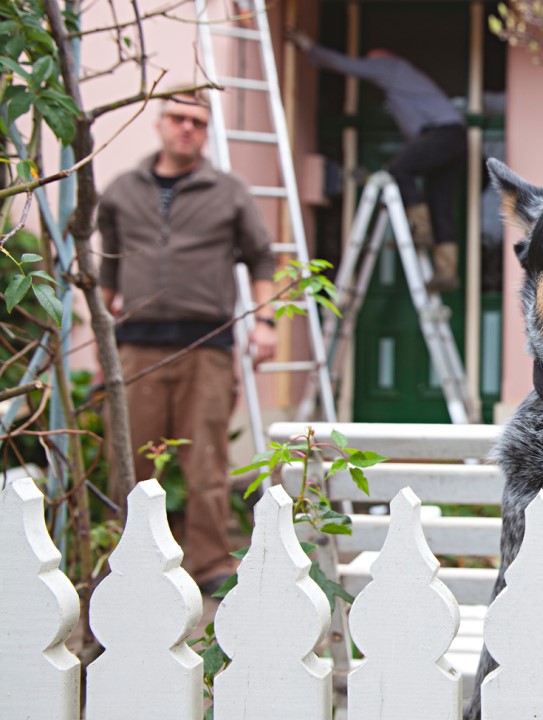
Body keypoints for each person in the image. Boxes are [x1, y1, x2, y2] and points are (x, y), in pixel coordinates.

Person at [98, 90, 279, 594]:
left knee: (206, 463)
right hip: (135, 344)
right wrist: (98, 320)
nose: (187, 129)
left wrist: (266, 321)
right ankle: (128, 562)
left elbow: (262, 258)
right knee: (131, 459)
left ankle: (207, 567)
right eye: (178, 118)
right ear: (160, 123)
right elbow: (109, 257)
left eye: (198, 122)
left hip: (206, 345)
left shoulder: (228, 191)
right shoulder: (120, 189)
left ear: (206, 131)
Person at [288, 29, 466, 292]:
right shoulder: (407, 83)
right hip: (453, 137)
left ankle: (421, 229)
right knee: (440, 203)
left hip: (441, 133)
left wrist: (309, 48)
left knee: (399, 169)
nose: (371, 66)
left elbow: (347, 66)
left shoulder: (390, 66)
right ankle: (446, 272)